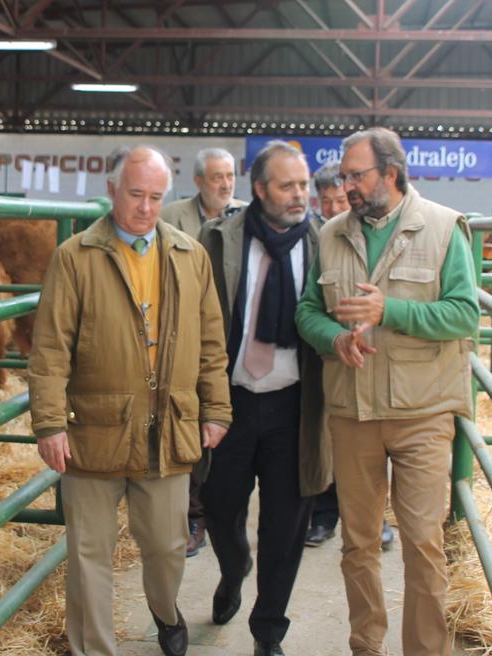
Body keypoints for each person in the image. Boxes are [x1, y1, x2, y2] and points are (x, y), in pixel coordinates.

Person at [28, 145, 232, 656]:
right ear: (112, 190)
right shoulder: (75, 257)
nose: (145, 207)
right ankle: (93, 649)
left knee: (166, 547)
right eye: (136, 194)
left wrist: (217, 408)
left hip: (167, 428)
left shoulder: (190, 255)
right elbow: (50, 347)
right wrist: (49, 423)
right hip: (93, 430)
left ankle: (165, 610)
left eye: (156, 196)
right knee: (89, 552)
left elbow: (212, 342)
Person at [295, 128, 479, 656]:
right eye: (345, 176)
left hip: (423, 410)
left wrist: (389, 311)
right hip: (353, 408)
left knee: (423, 542)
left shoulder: (443, 228)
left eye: (357, 175)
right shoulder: (331, 234)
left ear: (390, 175)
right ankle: (366, 646)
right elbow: (306, 311)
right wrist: (333, 338)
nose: (346, 185)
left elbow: (465, 315)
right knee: (358, 543)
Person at [198, 141, 329, 656]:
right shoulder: (219, 240)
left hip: (295, 407)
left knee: (286, 524)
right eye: (287, 186)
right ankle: (234, 570)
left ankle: (267, 630)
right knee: (217, 506)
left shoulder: (323, 243)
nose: (300, 195)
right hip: (229, 403)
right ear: (259, 190)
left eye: (304, 185)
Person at [160, 146, 247, 557]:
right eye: (217, 177)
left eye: (230, 175)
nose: (226, 184)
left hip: (236, 337)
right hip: (186, 336)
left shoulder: (250, 217)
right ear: (198, 181)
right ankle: (193, 517)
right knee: (190, 423)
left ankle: (223, 513)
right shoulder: (170, 217)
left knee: (228, 426)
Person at [304, 163, 394, 553]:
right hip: (322, 352)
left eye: (339, 199)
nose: (333, 206)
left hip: (373, 354)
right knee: (325, 437)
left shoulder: (371, 233)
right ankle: (323, 514)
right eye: (326, 201)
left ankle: (378, 517)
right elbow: (306, 306)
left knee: (373, 442)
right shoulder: (313, 235)